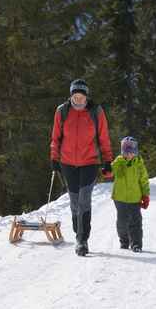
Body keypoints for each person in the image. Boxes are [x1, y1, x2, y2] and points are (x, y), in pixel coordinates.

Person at [50, 79, 113, 256]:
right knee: (74, 202)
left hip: (90, 163)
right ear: (71, 96)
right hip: (68, 163)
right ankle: (78, 233)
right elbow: (56, 138)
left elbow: (104, 138)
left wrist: (108, 161)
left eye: (81, 96)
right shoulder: (62, 111)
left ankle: (82, 240)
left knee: (84, 200)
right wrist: (54, 158)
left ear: (86, 96)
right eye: (75, 96)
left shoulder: (96, 111)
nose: (78, 100)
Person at [111, 136, 150, 252]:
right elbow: (111, 170)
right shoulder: (119, 162)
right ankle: (124, 240)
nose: (129, 155)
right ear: (123, 152)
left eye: (132, 152)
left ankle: (136, 244)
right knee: (122, 221)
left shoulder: (139, 164)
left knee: (135, 221)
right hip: (120, 197)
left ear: (135, 152)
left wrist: (145, 195)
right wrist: (107, 170)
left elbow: (144, 180)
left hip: (135, 198)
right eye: (126, 153)